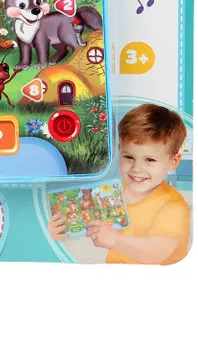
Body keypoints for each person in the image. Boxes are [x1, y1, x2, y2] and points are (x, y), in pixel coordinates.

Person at [48, 104, 190, 264]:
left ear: (173, 162)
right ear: (119, 149)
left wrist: (115, 240)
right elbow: (84, 221)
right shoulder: (113, 191)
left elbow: (156, 253)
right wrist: (60, 229)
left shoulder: (173, 206)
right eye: (129, 157)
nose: (136, 168)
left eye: (150, 160)